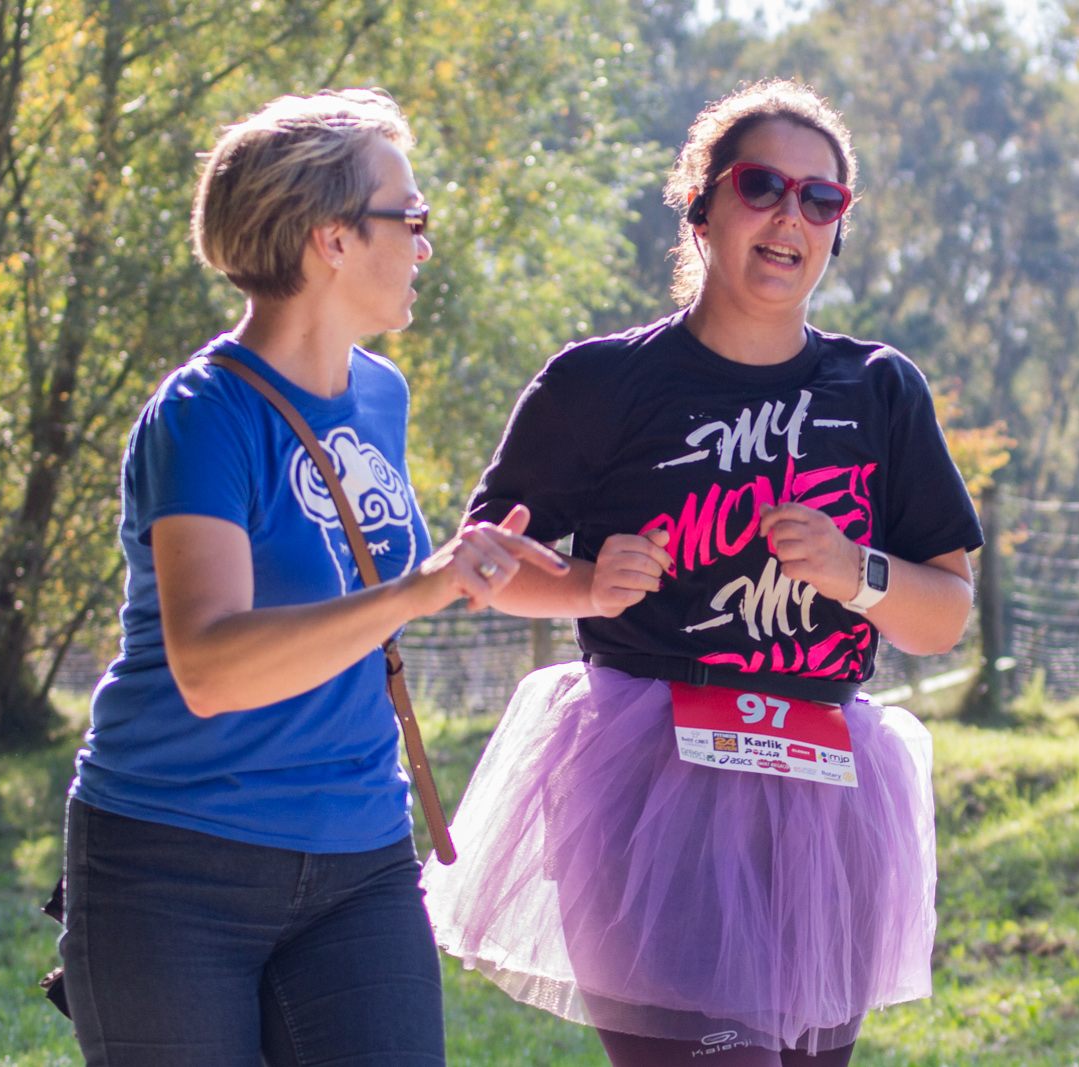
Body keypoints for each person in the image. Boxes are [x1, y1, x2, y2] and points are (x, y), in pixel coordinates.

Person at [423, 80, 983, 1066]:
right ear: (702, 204)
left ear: (837, 230)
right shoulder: (600, 381)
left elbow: (942, 618)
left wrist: (857, 572)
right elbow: (483, 565)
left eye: (822, 199)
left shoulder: (881, 387)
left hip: (824, 795)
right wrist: (583, 587)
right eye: (763, 184)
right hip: (649, 790)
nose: (790, 215)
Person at [57, 89, 567, 1067]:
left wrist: (572, 584)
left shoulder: (380, 392)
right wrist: (417, 588)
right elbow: (208, 666)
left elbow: (365, 580)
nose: (423, 243)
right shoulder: (200, 415)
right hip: (172, 863)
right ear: (331, 238)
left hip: (358, 860)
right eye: (407, 218)